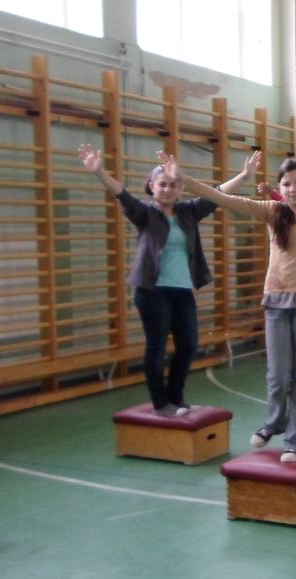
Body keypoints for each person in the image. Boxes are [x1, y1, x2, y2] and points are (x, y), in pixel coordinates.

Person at [161, 151, 296, 463]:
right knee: (277, 375)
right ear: (280, 188)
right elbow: (222, 198)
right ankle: (275, 421)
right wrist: (183, 179)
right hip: (276, 302)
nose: (293, 189)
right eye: (287, 184)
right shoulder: (271, 211)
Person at [78, 143, 222, 418]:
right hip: (153, 292)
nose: (167, 189)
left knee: (188, 346)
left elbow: (217, 195)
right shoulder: (145, 213)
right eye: (162, 184)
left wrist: (245, 175)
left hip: (182, 292)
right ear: (152, 187)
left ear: (180, 189)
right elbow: (122, 194)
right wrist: (99, 172)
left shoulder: (188, 212)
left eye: (173, 185)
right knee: (156, 347)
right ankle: (161, 403)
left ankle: (176, 397)